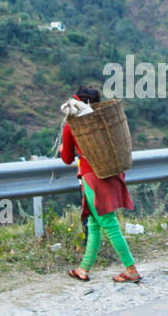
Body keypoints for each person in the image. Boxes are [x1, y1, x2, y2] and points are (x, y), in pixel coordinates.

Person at [60, 87, 141, 284]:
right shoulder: (105, 121)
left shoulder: (73, 125)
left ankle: (131, 270)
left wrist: (64, 148)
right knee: (94, 223)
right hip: (111, 174)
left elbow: (67, 158)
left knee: (109, 224)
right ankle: (83, 269)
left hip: (91, 178)